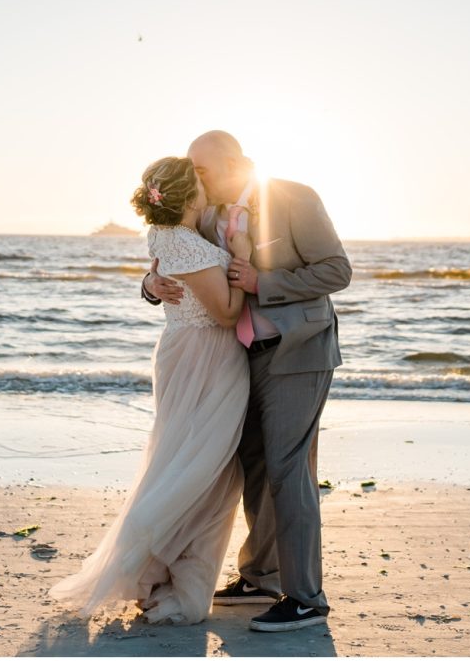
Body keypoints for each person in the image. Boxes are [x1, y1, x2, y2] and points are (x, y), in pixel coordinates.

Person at [142, 131, 352, 632]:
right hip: (239, 356)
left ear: (236, 161)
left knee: (288, 468)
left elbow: (337, 270)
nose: (194, 177)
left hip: (297, 351)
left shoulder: (293, 197)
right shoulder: (209, 214)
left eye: (202, 168)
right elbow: (181, 262)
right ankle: (261, 576)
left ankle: (307, 599)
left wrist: (264, 283)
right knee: (252, 467)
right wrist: (149, 287)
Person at [49, 155, 253, 625]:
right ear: (189, 195)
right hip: (207, 359)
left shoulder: (168, 234)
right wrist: (241, 259)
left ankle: (157, 572)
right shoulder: (186, 243)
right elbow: (225, 313)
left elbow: (168, 272)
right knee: (200, 469)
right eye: (200, 182)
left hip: (191, 354)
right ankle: (157, 572)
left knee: (189, 463)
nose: (208, 187)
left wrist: (149, 282)